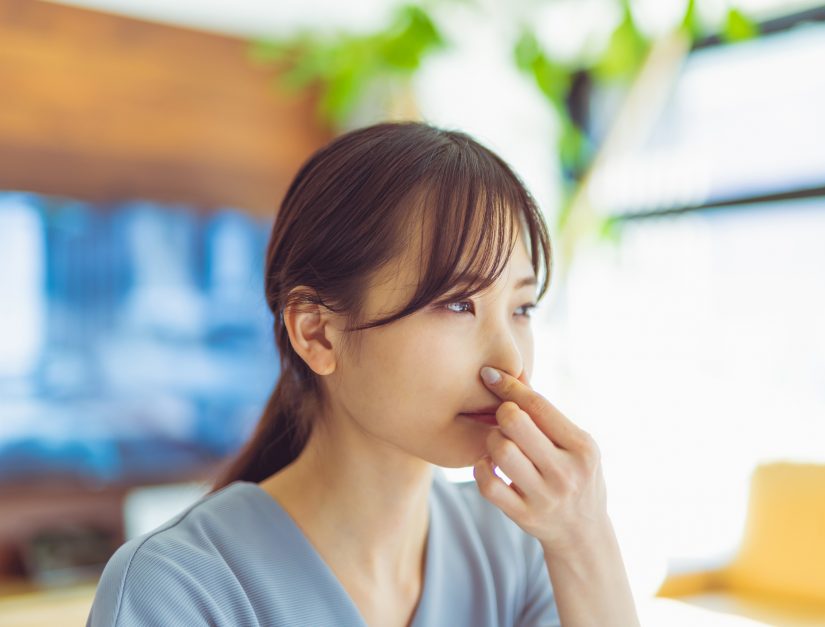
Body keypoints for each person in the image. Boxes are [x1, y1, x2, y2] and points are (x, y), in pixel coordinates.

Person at [86, 121, 640, 626]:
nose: (511, 361)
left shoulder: (518, 548)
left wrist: (584, 539)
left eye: (521, 309)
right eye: (455, 303)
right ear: (318, 333)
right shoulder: (175, 589)